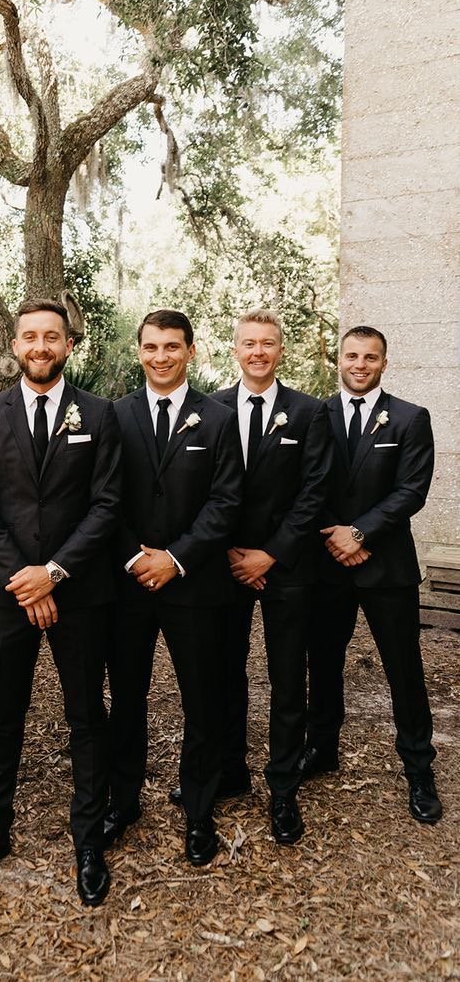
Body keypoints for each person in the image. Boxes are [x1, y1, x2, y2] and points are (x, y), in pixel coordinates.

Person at [0, 299, 121, 906]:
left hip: (80, 591)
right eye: (31, 337)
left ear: (68, 345)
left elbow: (106, 504)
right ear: (15, 346)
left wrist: (53, 573)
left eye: (52, 337)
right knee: (3, 715)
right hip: (7, 593)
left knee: (86, 716)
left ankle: (88, 841)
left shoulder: (99, 414)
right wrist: (23, 578)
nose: (41, 347)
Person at [167, 309, 332, 844]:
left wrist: (271, 554)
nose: (258, 352)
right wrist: (228, 552)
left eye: (267, 343)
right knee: (222, 672)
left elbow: (314, 492)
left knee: (287, 677)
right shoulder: (208, 408)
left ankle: (283, 786)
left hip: (287, 566)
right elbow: (204, 491)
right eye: (249, 343)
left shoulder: (308, 412)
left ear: (280, 349)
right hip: (223, 564)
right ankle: (228, 768)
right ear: (234, 349)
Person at [105, 309, 243, 866]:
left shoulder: (219, 418)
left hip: (195, 585)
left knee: (202, 701)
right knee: (126, 699)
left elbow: (226, 501)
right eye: (151, 347)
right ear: (139, 351)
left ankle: (200, 811)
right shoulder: (114, 415)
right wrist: (137, 556)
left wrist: (177, 558)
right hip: (129, 584)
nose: (160, 357)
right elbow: (103, 499)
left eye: (171, 347)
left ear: (190, 350)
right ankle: (123, 801)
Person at [301, 325, 442, 824]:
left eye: (370, 357)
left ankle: (419, 768)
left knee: (403, 669)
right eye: (352, 356)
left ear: (384, 363)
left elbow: (411, 490)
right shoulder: (315, 414)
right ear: (338, 360)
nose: (360, 365)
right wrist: (334, 536)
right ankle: (321, 747)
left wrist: (359, 534)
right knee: (323, 662)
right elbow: (303, 485)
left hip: (387, 566)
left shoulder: (409, 417)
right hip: (327, 563)